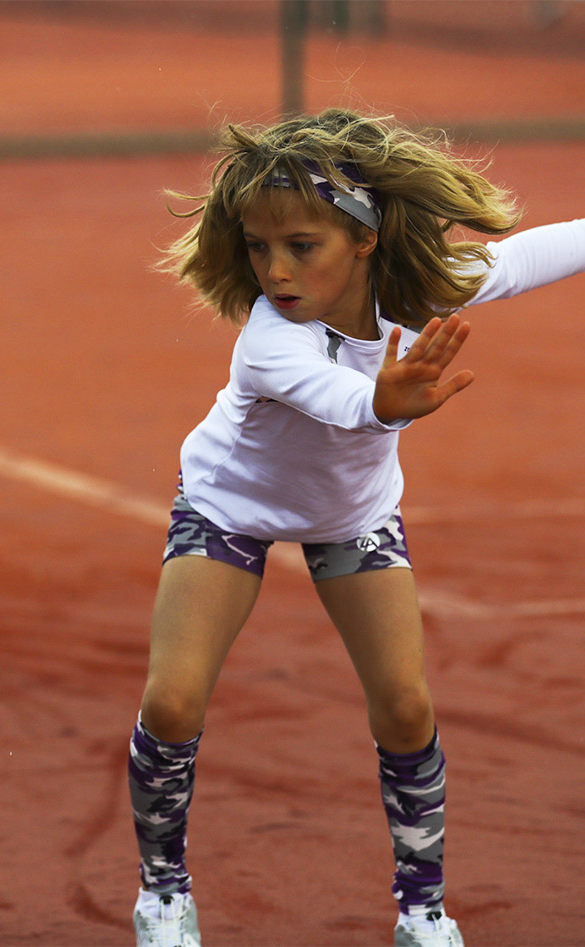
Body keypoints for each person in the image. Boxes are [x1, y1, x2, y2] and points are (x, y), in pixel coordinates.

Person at [127, 107, 585, 947]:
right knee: (172, 699)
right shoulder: (269, 340)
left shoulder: (412, 287)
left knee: (406, 706)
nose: (275, 270)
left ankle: (423, 912)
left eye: (302, 245)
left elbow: (521, 259)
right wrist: (385, 402)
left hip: (352, 517)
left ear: (364, 240)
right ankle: (163, 894)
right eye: (259, 247)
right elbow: (338, 400)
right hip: (228, 506)